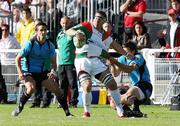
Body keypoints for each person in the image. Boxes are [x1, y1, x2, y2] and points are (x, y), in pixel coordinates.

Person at [66, 10, 131, 118]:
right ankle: (86, 112)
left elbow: (115, 45)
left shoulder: (104, 34)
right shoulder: (87, 26)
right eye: (96, 17)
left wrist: (126, 54)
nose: (97, 19)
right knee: (87, 86)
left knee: (112, 84)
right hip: (83, 60)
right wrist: (77, 33)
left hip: (96, 61)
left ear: (104, 21)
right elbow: (69, 31)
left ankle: (120, 109)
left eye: (100, 18)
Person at [11, 22, 73, 117]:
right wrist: (20, 73)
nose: (43, 32)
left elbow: (53, 63)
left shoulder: (50, 45)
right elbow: (17, 58)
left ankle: (68, 114)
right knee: (31, 88)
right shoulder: (29, 44)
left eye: (45, 30)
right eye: (41, 30)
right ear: (36, 31)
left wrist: (52, 71)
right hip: (29, 72)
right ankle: (19, 107)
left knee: (58, 91)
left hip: (42, 73)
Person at [110, 41, 153, 117]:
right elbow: (115, 74)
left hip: (145, 86)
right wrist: (112, 64)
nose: (124, 54)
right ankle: (133, 112)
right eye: (123, 52)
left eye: (126, 52)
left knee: (131, 91)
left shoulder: (138, 57)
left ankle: (132, 107)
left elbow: (130, 69)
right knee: (112, 102)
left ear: (133, 51)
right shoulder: (122, 58)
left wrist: (116, 63)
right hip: (133, 88)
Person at [56, 16, 79, 108]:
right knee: (62, 84)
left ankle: (73, 102)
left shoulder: (72, 33)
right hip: (61, 63)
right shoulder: (59, 34)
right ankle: (62, 102)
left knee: (72, 83)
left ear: (69, 23)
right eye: (63, 23)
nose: (65, 25)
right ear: (60, 23)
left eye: (66, 23)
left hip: (70, 63)